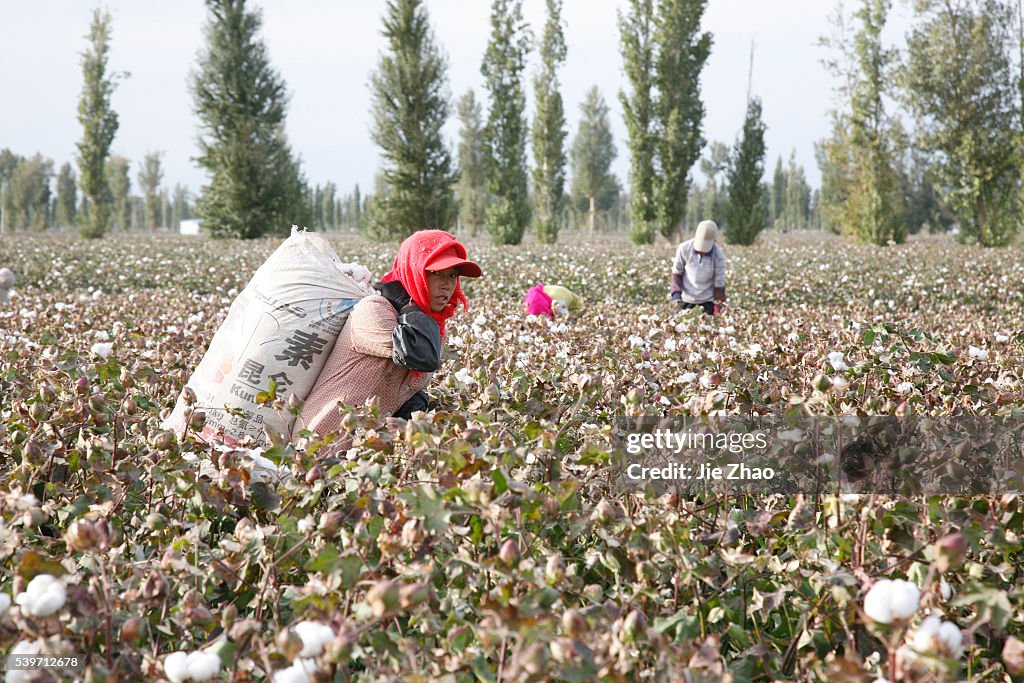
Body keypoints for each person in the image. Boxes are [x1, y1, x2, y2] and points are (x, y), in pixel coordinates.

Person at [297, 230, 482, 436]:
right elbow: (418, 354)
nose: (446, 284)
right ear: (413, 271)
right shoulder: (374, 309)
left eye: (453, 275)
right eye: (435, 273)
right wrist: (409, 305)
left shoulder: (431, 327)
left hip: (362, 454)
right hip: (319, 445)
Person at [670, 220, 726, 315]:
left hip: (707, 303)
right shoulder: (684, 249)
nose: (702, 251)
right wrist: (676, 296)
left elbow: (719, 283)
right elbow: (677, 273)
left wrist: (718, 309)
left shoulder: (718, 255)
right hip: (685, 301)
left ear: (714, 241)